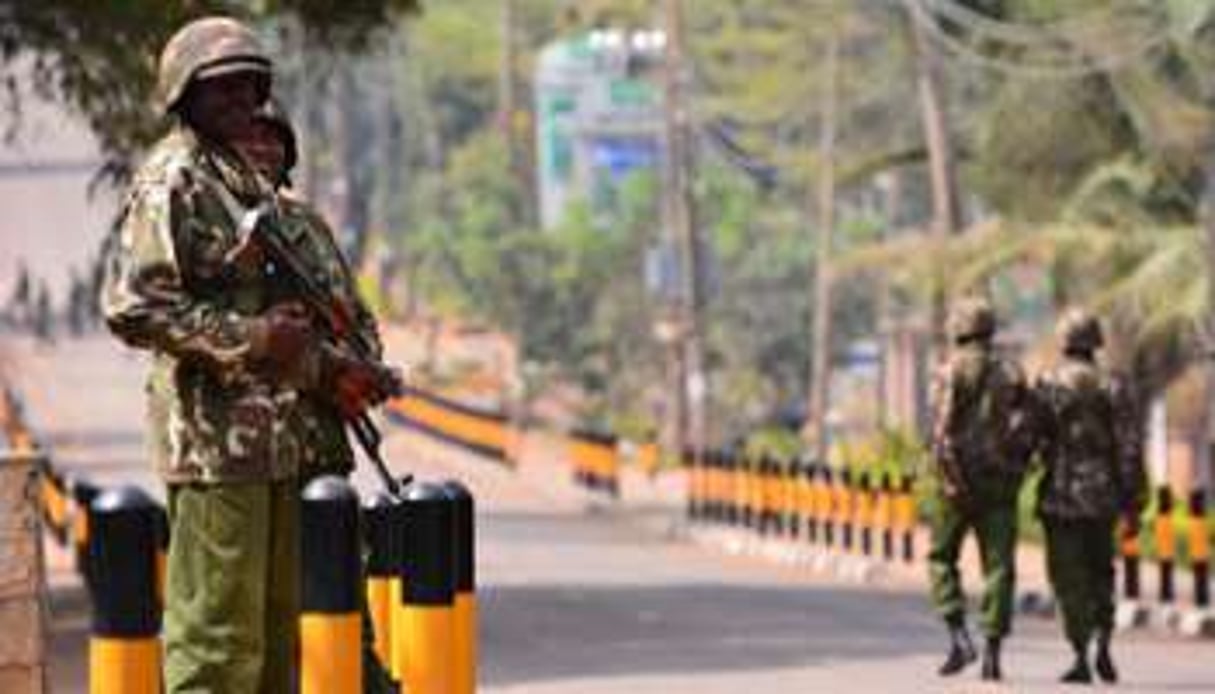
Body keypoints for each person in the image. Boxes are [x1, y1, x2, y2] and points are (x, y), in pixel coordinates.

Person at [101, 16, 388, 691]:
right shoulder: (174, 179)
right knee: (217, 639)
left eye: (247, 90)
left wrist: (329, 361)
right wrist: (254, 338)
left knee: (278, 638)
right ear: (184, 97)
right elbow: (134, 305)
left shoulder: (240, 184)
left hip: (286, 443)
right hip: (216, 443)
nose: (238, 106)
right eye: (219, 91)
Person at [234, 97, 399, 693]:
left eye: (273, 139)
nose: (262, 149)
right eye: (250, 137)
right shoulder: (210, 224)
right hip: (239, 458)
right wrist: (305, 354)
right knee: (245, 630)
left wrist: (358, 367)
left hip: (316, 453)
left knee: (339, 616)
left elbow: (360, 324)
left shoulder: (308, 229)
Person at [1033, 309, 1146, 684]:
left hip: (1061, 498)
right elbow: (1130, 449)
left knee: (1068, 579)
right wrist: (1134, 502)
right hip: (1104, 497)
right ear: (1096, 342)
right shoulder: (1115, 385)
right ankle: (1105, 644)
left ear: (1064, 341)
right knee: (1102, 572)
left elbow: (1031, 440)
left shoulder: (1048, 385)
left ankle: (1080, 652)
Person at [927, 296, 1034, 681]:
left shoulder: (949, 371)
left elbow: (940, 434)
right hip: (999, 487)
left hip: (954, 487)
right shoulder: (1012, 373)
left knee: (941, 559)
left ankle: (959, 637)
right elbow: (1030, 428)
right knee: (999, 568)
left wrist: (949, 478)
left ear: (959, 328)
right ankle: (992, 654)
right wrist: (1016, 468)